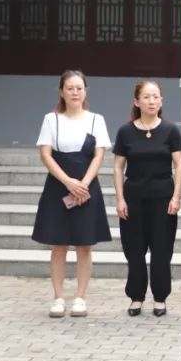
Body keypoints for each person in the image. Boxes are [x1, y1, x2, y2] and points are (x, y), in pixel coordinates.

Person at [32, 70, 112, 318]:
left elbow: (99, 155)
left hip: (87, 187)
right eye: (70, 88)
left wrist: (83, 184)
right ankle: (58, 297)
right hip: (58, 185)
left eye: (79, 88)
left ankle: (80, 297)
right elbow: (46, 155)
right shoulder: (51, 119)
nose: (75, 92)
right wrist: (68, 182)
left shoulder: (96, 120)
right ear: (61, 92)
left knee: (84, 245)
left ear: (86, 91)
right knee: (58, 245)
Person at [112, 80, 181, 318]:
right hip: (133, 197)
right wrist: (120, 199)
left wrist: (176, 196)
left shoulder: (170, 130)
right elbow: (118, 167)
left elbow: (179, 164)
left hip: (163, 198)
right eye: (146, 97)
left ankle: (160, 297)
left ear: (161, 101)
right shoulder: (125, 131)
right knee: (134, 250)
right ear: (137, 101)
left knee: (162, 250)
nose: (151, 101)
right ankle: (136, 296)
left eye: (155, 96)